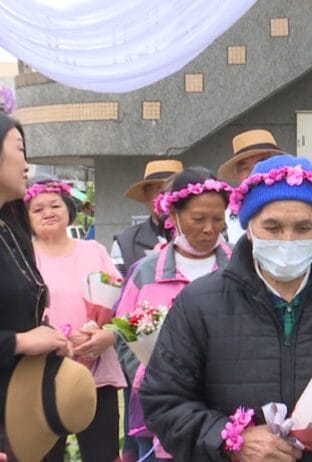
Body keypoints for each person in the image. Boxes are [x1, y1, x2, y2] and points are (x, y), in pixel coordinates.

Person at [140, 155, 312, 461]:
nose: (288, 240)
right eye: (272, 227)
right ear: (249, 229)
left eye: (303, 227)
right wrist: (228, 439)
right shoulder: (199, 304)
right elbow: (163, 401)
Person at [115, 167, 232, 461]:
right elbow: (124, 336)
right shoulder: (146, 273)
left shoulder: (240, 268)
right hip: (165, 415)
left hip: (229, 415)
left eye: (218, 219)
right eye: (198, 219)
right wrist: (153, 380)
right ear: (173, 215)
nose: (209, 229)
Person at [25, 178, 127, 462]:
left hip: (96, 368)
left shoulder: (93, 250)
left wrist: (107, 335)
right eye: (38, 209)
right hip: (43, 372)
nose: (48, 213)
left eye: (55, 205)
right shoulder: (24, 258)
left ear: (68, 209)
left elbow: (120, 301)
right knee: (45, 454)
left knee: (102, 453)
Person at [0, 113, 71, 461]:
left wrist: (49, 338)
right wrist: (19, 342)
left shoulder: (11, 229)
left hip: (29, 404)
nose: (27, 165)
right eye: (19, 150)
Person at [112, 159, 184, 276]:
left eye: (173, 191)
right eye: (160, 190)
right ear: (146, 195)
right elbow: (117, 285)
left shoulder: (203, 238)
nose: (167, 198)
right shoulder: (125, 243)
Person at [217, 129, 283, 245]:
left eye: (261, 165)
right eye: (244, 168)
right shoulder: (224, 219)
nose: (253, 174)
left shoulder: (296, 207)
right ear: (237, 174)